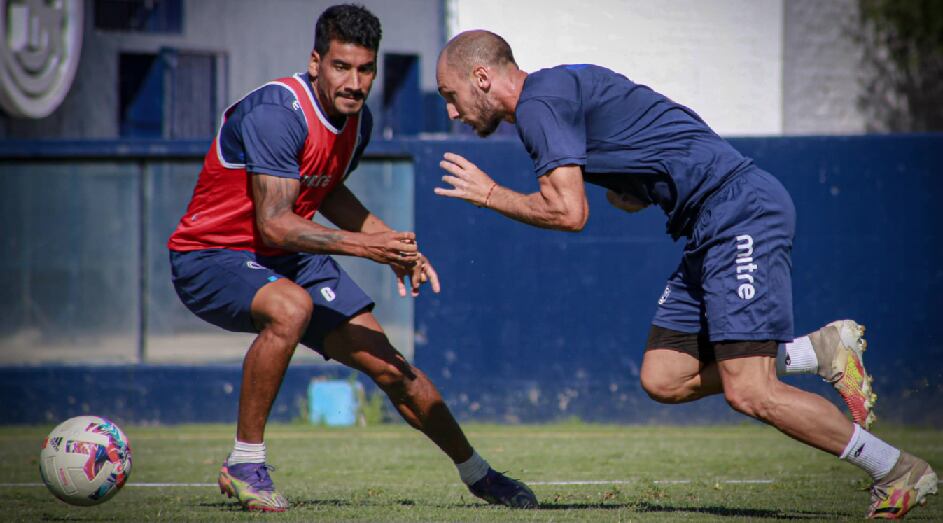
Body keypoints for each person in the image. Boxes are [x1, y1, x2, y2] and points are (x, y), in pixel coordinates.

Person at [433, 30, 937, 519]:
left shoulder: (538, 107)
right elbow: (657, 131)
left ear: (481, 76)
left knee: (750, 390)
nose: (452, 111)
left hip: (738, 214)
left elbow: (570, 212)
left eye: (450, 95)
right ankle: (816, 351)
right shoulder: (560, 87)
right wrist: (636, 184)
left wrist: (490, 194)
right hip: (709, 223)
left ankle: (897, 470)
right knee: (665, 377)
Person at [167, 8, 536, 512]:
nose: (354, 82)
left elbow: (327, 189)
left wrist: (393, 244)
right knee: (290, 308)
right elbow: (274, 221)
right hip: (211, 255)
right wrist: (368, 249)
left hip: (290, 257)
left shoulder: (356, 122)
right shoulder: (277, 115)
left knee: (395, 371)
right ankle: (244, 462)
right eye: (341, 66)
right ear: (316, 62)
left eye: (366, 70)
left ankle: (479, 475)